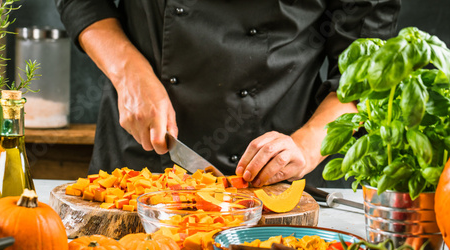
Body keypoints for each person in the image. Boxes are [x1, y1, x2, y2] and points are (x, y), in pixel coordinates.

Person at [56, 0, 401, 187]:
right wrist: (127, 71)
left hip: (276, 176)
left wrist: (307, 145)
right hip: (141, 163)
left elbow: (365, 72)